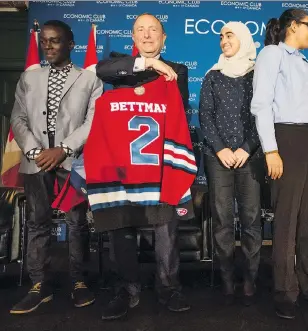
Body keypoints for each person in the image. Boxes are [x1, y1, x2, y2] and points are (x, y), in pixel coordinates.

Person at [95, 13, 191, 320]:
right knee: (120, 227)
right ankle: (127, 290)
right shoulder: (119, 64)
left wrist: (159, 69)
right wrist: (148, 64)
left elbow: (177, 110)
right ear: (133, 39)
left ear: (164, 39)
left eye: (154, 31)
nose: (147, 35)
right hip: (121, 167)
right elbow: (101, 70)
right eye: (141, 31)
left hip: (158, 166)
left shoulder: (177, 71)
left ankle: (168, 288)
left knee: (166, 231)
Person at [9, 20, 102, 314]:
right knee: (37, 222)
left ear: (71, 44)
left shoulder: (89, 80)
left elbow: (92, 122)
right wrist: (37, 151)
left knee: (77, 223)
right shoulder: (29, 78)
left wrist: (62, 149)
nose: (48, 46)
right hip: (36, 161)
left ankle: (78, 282)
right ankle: (39, 285)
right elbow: (18, 119)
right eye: (45, 41)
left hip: (73, 161)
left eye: (55, 41)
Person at [251, 9, 308, 319]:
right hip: (286, 137)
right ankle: (285, 291)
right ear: (293, 26)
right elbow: (261, 104)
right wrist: (271, 150)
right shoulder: (272, 54)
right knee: (286, 219)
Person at [199, 22, 263, 306]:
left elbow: (262, 116)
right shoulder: (212, 76)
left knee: (251, 219)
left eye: (229, 35)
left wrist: (247, 149)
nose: (223, 40)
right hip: (218, 158)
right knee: (223, 220)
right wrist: (222, 149)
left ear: (244, 40)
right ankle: (226, 277)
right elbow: (205, 116)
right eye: (221, 36)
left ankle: (249, 277)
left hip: (250, 158)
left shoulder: (258, 75)